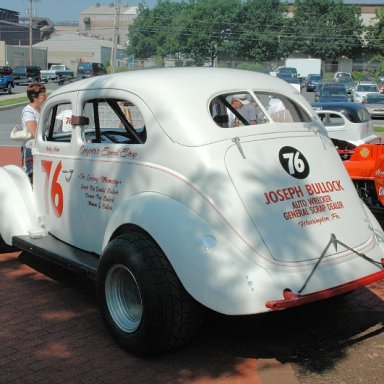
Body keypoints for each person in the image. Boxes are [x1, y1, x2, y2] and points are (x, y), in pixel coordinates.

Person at [21, 83, 47, 181]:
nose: (45, 96)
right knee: (32, 178)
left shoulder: (41, 109)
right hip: (31, 149)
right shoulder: (28, 111)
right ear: (34, 97)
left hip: (41, 147)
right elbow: (34, 132)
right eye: (42, 94)